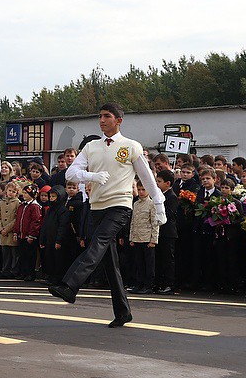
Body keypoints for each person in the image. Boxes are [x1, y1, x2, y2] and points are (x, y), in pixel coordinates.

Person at [48, 102, 166, 329]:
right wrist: (91, 176)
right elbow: (71, 172)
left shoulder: (131, 146)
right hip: (97, 207)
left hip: (120, 205)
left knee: (98, 243)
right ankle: (123, 312)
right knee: (110, 263)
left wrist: (159, 204)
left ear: (118, 120)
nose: (101, 120)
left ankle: (70, 285)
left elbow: (147, 177)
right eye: (100, 116)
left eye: (106, 116)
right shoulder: (91, 147)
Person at [128, 181, 159, 294]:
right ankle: (139, 283)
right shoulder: (136, 204)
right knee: (139, 263)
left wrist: (153, 240)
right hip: (137, 237)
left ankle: (148, 285)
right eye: (139, 189)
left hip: (147, 238)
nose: (141, 192)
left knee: (149, 264)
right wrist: (131, 237)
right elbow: (133, 222)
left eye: (143, 190)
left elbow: (155, 223)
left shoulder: (152, 204)